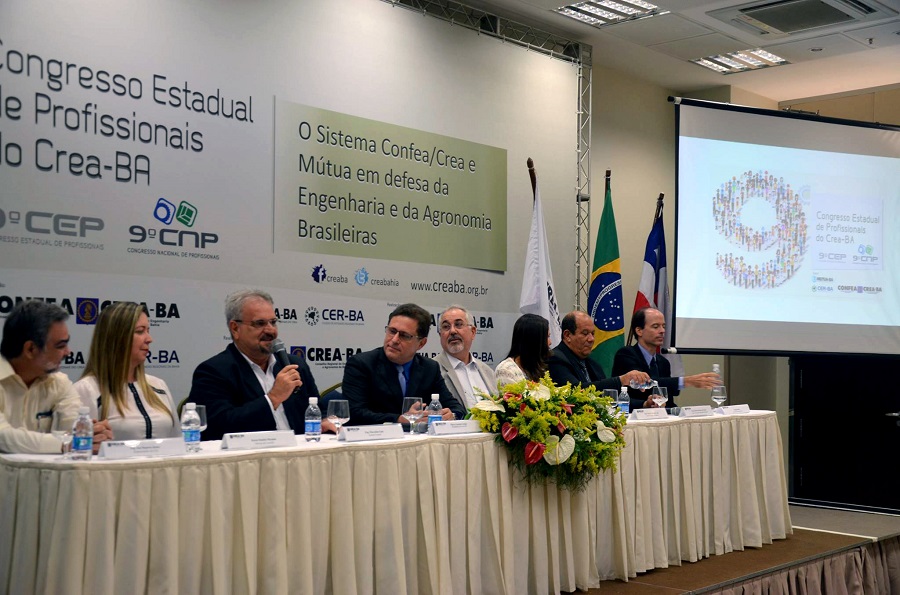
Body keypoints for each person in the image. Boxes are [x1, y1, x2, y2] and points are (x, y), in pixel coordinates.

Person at [187, 289, 333, 440]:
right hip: (250, 453)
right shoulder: (214, 371)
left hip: (300, 450)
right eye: (260, 323)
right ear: (235, 328)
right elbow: (217, 427)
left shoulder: (294, 365)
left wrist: (323, 422)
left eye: (273, 322)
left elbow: (317, 409)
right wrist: (273, 398)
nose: (270, 330)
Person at [0, 300, 113, 454]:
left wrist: (94, 433)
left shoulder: (59, 382)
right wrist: (66, 443)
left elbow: (74, 427)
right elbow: (3, 437)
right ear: (30, 349)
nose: (68, 352)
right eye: (60, 346)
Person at [343, 303, 464, 426]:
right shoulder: (362, 364)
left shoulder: (430, 368)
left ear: (421, 343)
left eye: (404, 336)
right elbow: (354, 413)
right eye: (392, 331)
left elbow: (456, 407)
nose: (394, 340)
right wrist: (399, 419)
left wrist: (451, 415)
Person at [73, 302, 179, 440]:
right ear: (116, 338)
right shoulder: (86, 390)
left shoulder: (158, 385)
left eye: (148, 331)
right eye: (140, 331)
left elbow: (177, 440)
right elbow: (76, 446)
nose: (149, 339)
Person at [612, 307, 720, 410]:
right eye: (655, 327)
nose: (662, 331)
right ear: (639, 331)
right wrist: (687, 381)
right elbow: (646, 384)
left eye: (663, 326)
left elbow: (668, 400)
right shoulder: (626, 354)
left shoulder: (663, 362)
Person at [548, 310, 650, 392]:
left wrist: (644, 404)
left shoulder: (592, 364)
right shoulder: (555, 358)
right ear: (567, 335)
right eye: (585, 333)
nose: (591, 339)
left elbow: (608, 397)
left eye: (592, 334)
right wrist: (621, 380)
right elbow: (576, 391)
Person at [434, 305, 496, 411]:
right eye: (446, 327)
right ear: (440, 335)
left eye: (458, 324)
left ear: (473, 332)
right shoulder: (432, 370)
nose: (452, 331)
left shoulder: (487, 371)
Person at [495, 313, 551, 386]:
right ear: (535, 340)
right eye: (547, 337)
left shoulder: (537, 368)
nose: (550, 342)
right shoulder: (506, 370)